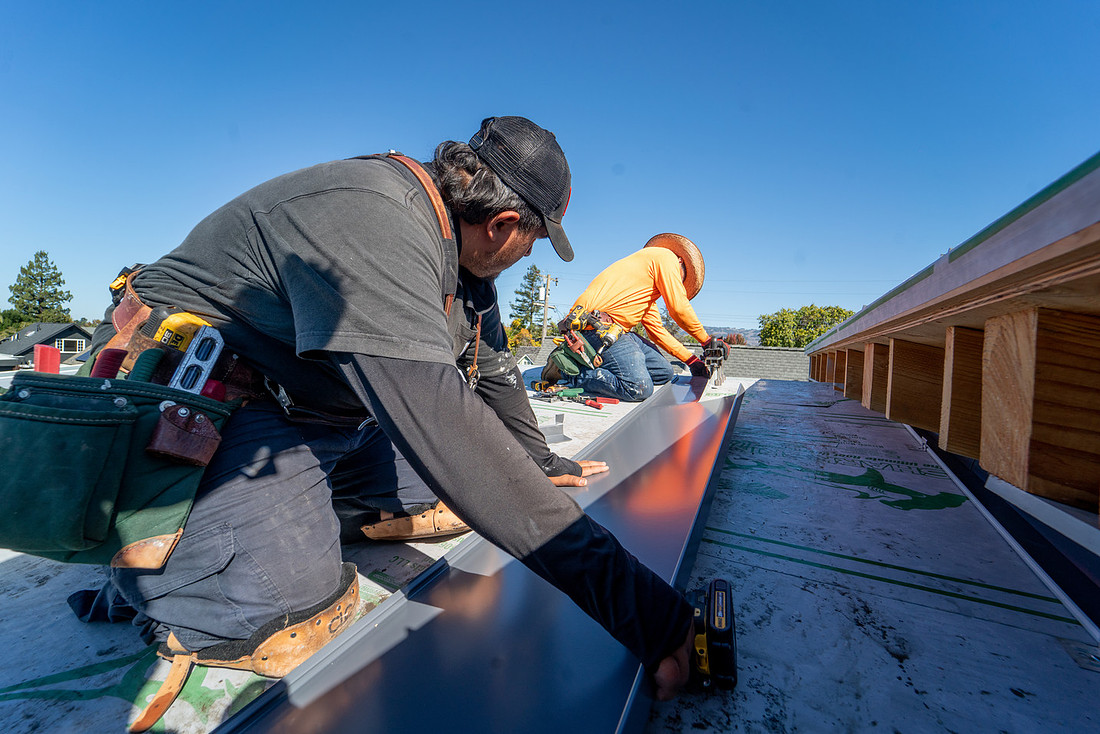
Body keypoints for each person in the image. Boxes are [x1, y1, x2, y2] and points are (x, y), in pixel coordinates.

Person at [79, 116, 693, 727]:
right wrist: (646, 613)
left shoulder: (466, 260)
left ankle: (317, 505)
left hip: (316, 408)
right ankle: (161, 556)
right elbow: (452, 437)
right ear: (504, 225)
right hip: (197, 406)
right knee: (279, 611)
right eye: (533, 242)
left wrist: (544, 463)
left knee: (429, 502)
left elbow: (497, 373)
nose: (527, 254)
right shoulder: (377, 224)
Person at [542, 233, 728, 401]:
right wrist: (706, 340)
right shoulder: (665, 257)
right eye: (680, 279)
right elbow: (678, 308)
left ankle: (604, 368)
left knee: (664, 373)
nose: (677, 284)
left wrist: (691, 360)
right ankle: (569, 372)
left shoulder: (644, 289)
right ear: (680, 261)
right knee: (638, 388)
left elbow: (657, 332)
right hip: (593, 328)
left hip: (616, 332)